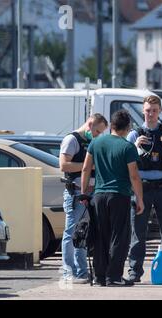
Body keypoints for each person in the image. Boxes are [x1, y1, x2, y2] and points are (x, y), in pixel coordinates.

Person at [81, 110, 144, 287]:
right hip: (119, 195)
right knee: (119, 237)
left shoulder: (96, 142)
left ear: (113, 125)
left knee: (101, 236)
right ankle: (114, 276)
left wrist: (84, 192)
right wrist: (140, 199)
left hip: (99, 196)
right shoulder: (128, 147)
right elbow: (134, 176)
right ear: (128, 127)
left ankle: (100, 277)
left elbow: (86, 168)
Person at [126, 95, 162, 283]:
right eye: (148, 110)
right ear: (143, 111)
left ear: (159, 111)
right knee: (138, 231)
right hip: (141, 189)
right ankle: (134, 271)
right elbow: (125, 162)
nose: (151, 114)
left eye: (154, 110)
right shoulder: (135, 134)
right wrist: (135, 147)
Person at [59, 113, 108, 283]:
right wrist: (89, 166)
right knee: (71, 232)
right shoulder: (72, 140)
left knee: (84, 232)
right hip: (76, 192)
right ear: (89, 124)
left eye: (100, 133)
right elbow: (64, 165)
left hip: (91, 193)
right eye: (97, 131)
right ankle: (68, 272)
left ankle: (82, 272)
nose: (97, 135)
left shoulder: (92, 142)